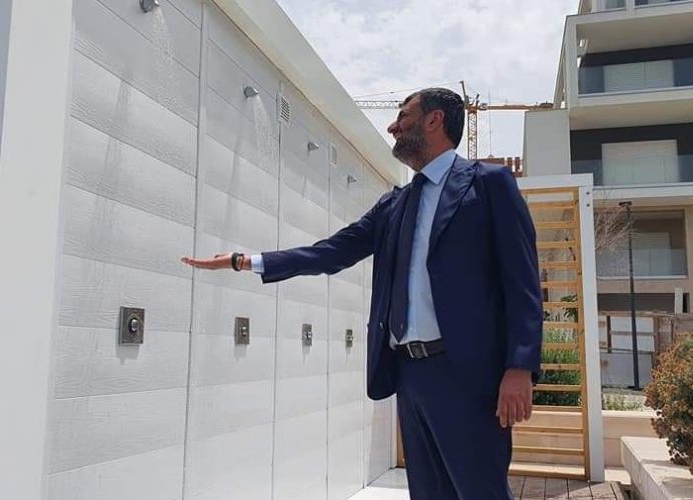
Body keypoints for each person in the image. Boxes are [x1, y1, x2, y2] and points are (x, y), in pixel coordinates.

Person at [181, 88, 543, 499]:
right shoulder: (396, 204)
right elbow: (332, 252)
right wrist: (246, 261)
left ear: (434, 120)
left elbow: (523, 282)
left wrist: (520, 367)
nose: (392, 126)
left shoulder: (488, 184)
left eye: (403, 116)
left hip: (468, 376)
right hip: (410, 375)